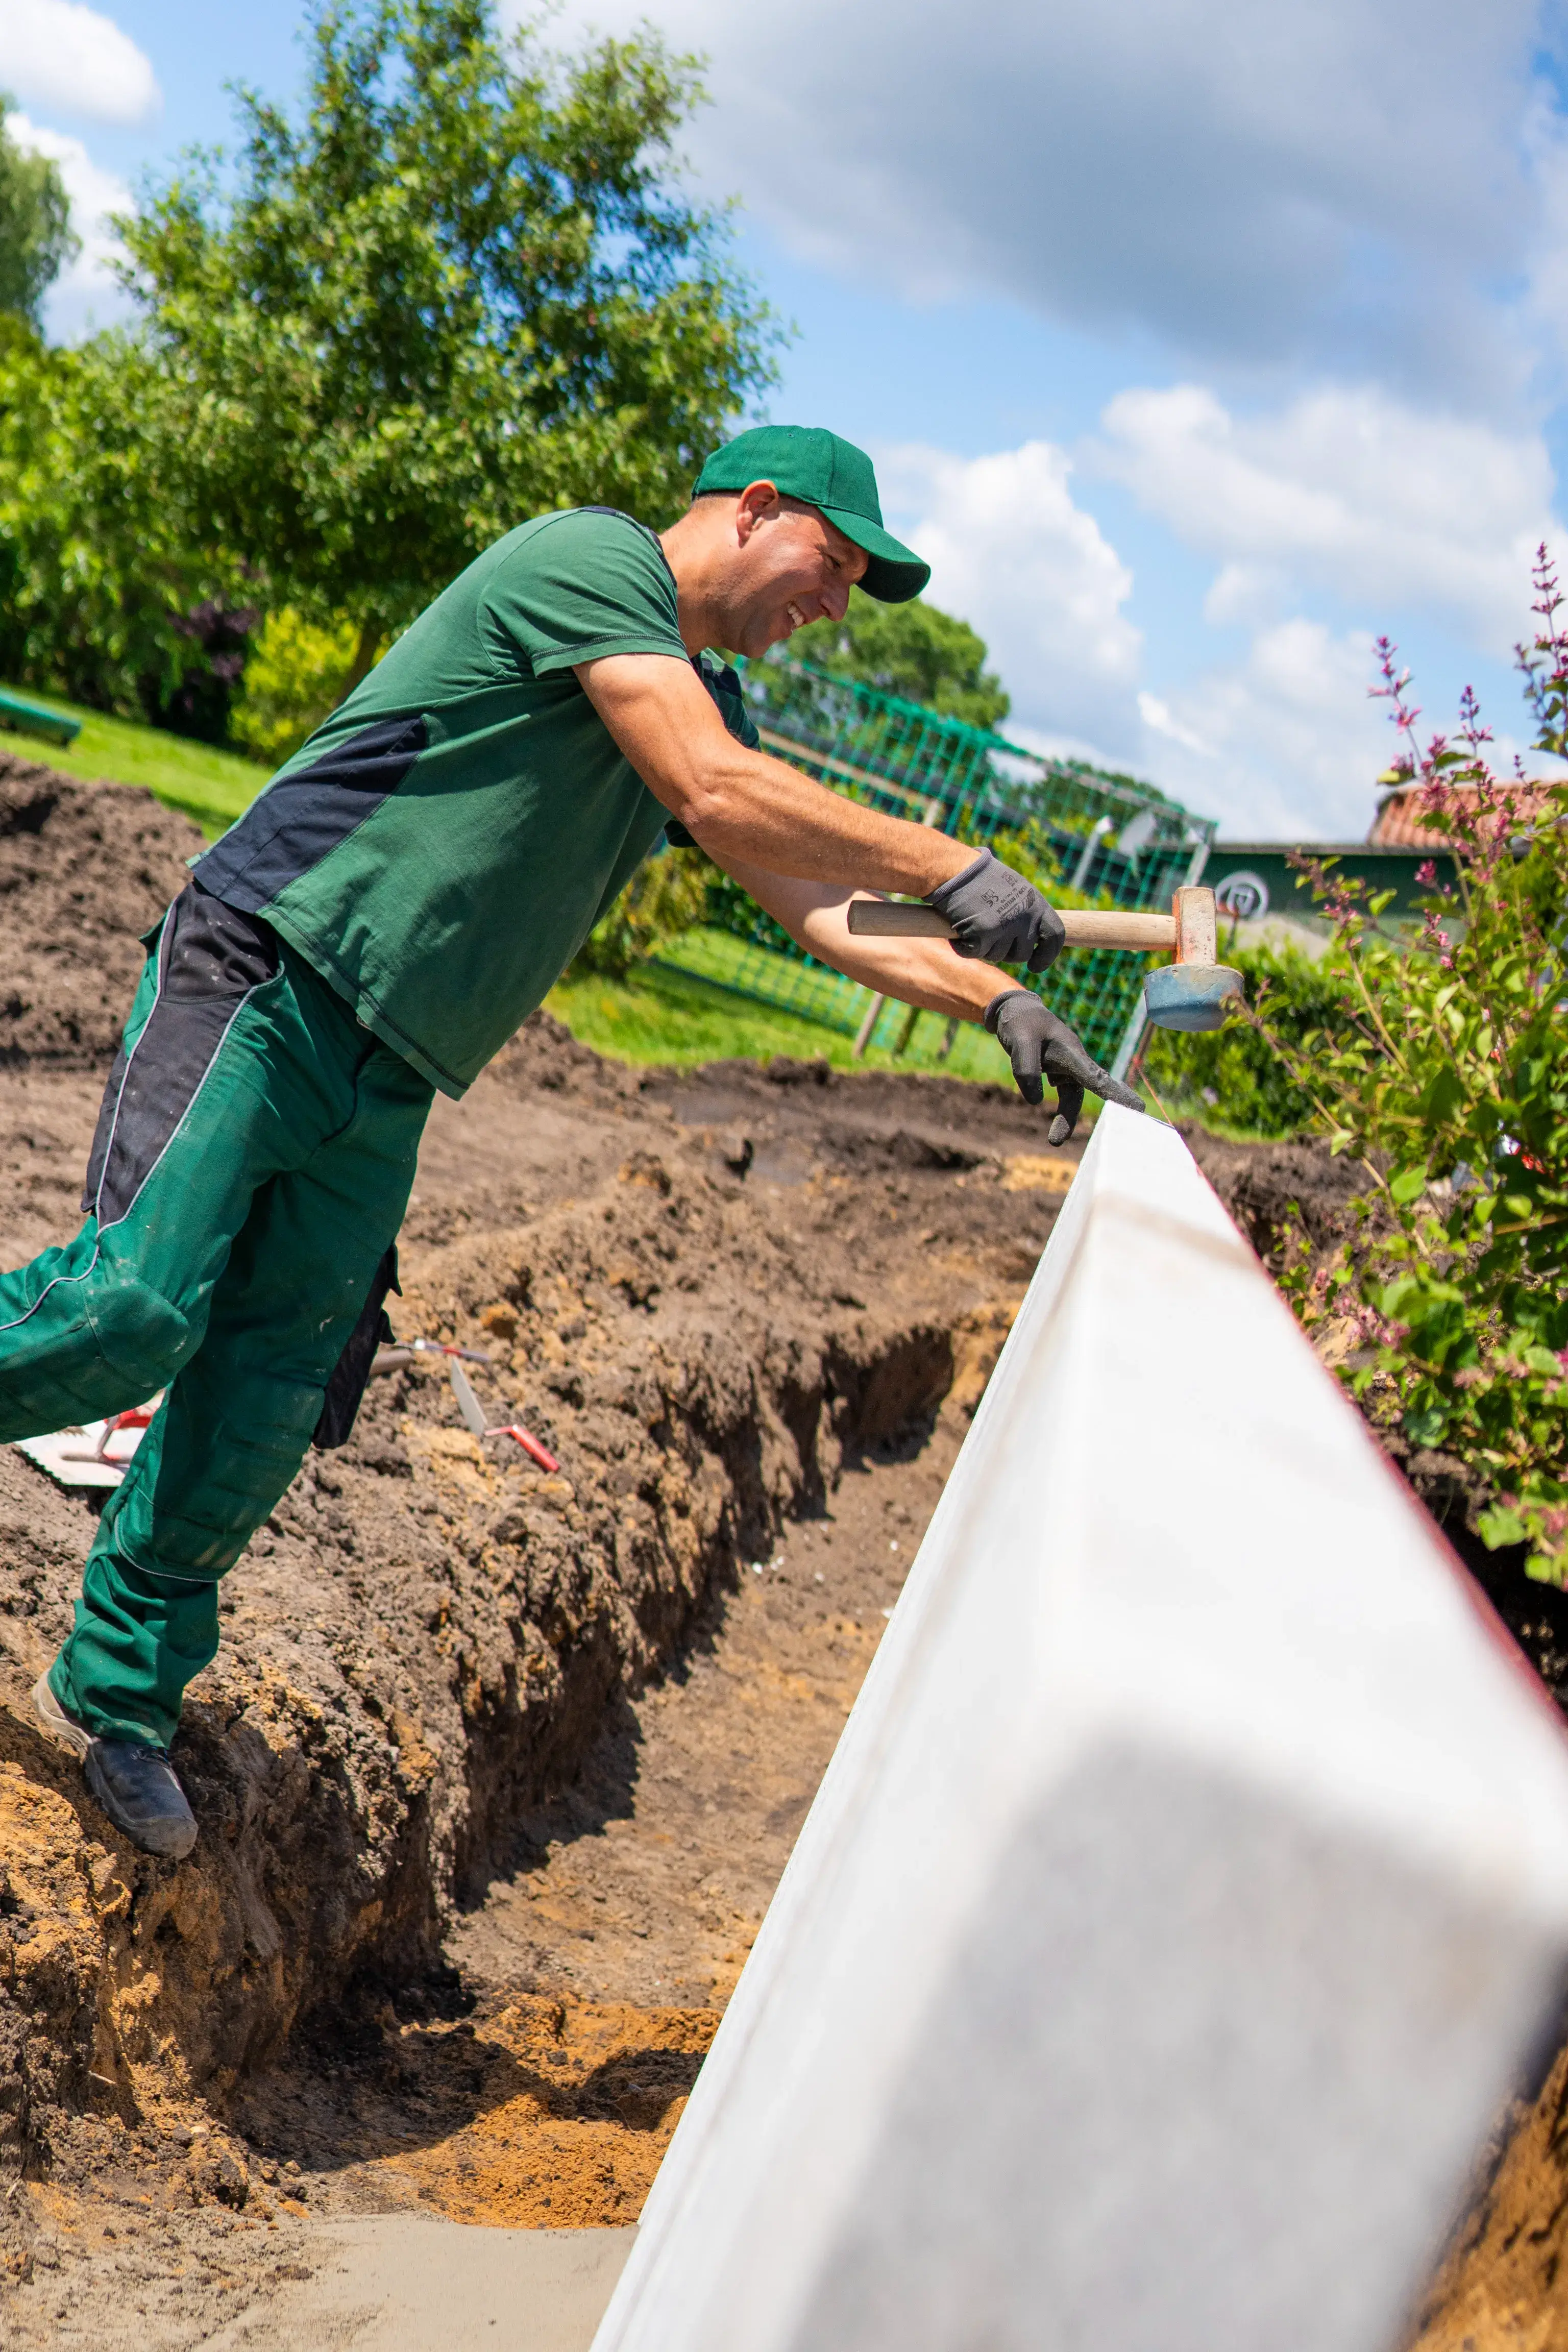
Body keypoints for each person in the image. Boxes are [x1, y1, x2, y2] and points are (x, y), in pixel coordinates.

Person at [10, 424, 1140, 1859]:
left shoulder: (704, 697)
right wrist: (954, 863)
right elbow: (713, 790)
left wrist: (998, 998)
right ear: (756, 509)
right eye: (833, 564)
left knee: (270, 1393)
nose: (836, 604)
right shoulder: (591, 563)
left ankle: (115, 1690)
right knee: (128, 1312)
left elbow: (815, 902)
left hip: (395, 1068)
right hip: (271, 971)